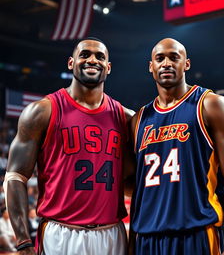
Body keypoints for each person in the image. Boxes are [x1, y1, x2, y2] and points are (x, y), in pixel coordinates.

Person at [4, 37, 134, 255]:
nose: (92, 60)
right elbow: (15, 176)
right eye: (85, 55)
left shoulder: (126, 118)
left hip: (112, 233)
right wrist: (24, 241)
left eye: (100, 57)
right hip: (61, 233)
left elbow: (134, 182)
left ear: (108, 68)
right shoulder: (42, 111)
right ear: (71, 63)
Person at [129, 38, 224, 255]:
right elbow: (137, 189)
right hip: (147, 238)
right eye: (160, 58)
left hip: (196, 233)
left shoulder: (210, 105)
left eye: (174, 57)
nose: (166, 63)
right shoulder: (139, 120)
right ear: (151, 66)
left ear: (186, 64)